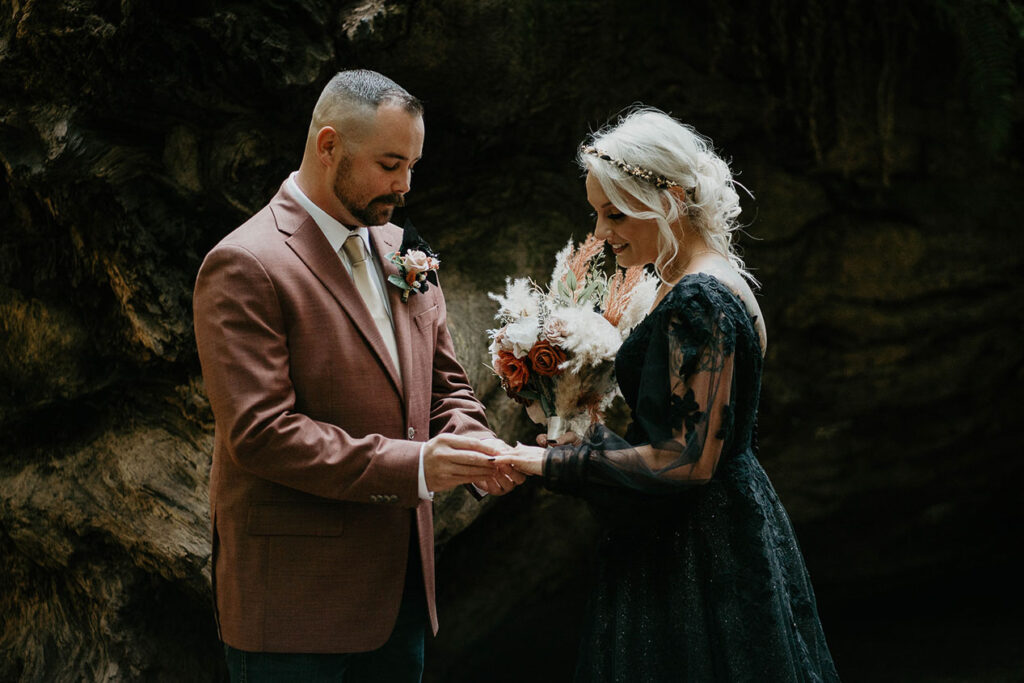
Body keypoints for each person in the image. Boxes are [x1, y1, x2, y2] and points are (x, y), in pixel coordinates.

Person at [193, 69, 522, 682]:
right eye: (390, 164)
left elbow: (444, 382)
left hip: (399, 596)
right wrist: (417, 465)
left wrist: (476, 442)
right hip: (294, 608)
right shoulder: (244, 263)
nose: (403, 187)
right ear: (328, 146)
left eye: (412, 167)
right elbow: (262, 433)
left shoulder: (401, 247)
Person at [500, 107, 840, 681]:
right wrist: (577, 421)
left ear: (673, 201)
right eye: (597, 214)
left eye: (616, 214)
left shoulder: (699, 300)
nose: (602, 234)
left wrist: (549, 461)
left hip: (700, 552)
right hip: (717, 525)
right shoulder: (700, 281)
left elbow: (686, 460)